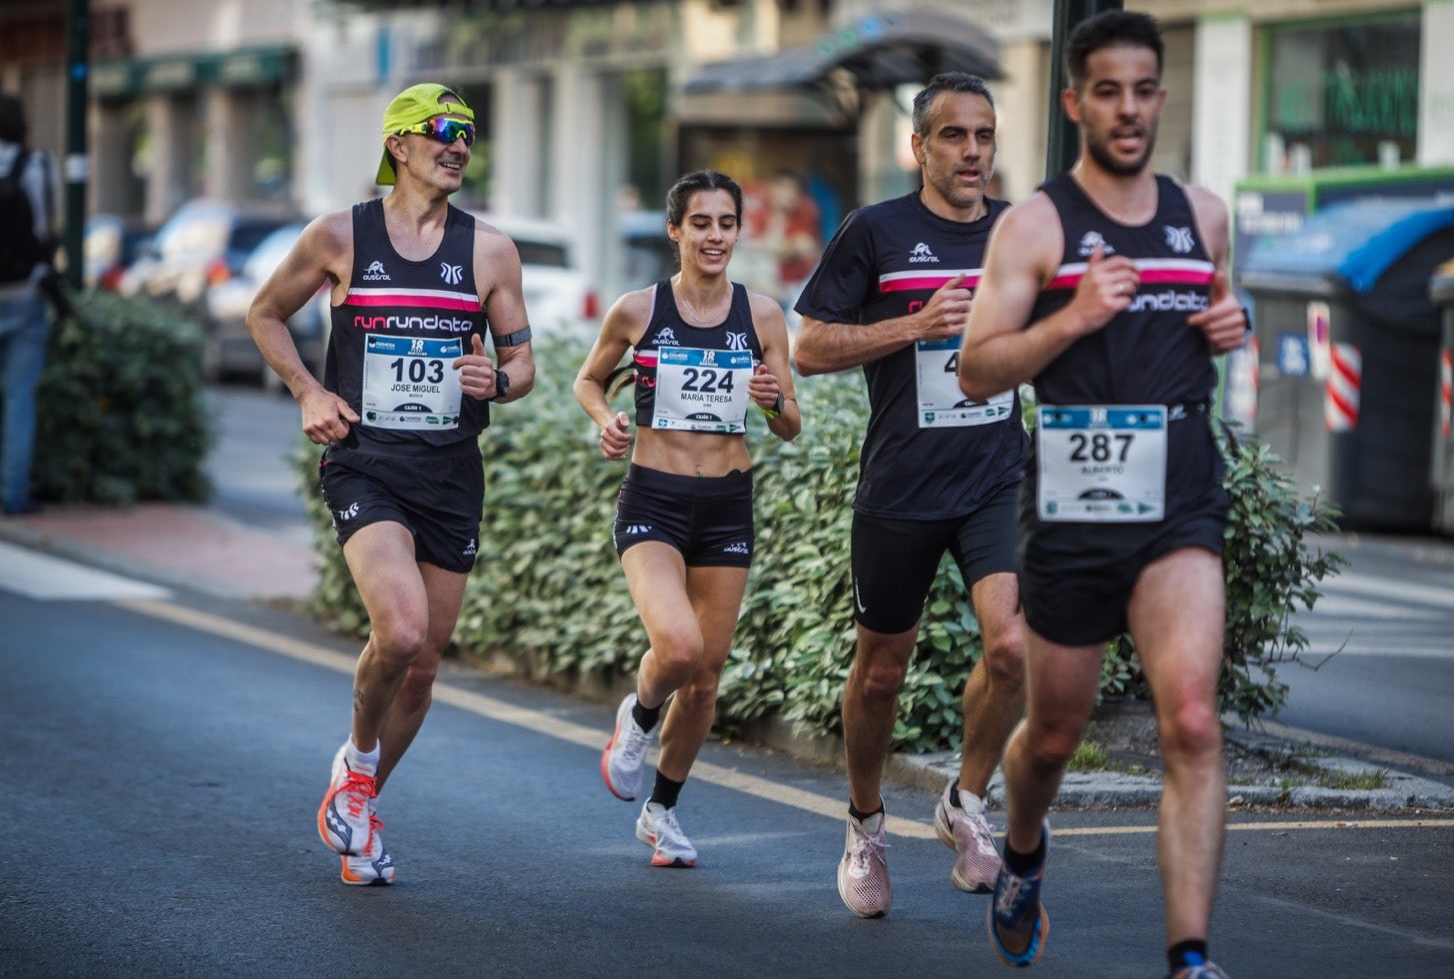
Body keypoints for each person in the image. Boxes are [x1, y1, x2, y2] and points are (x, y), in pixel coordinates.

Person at [957, 10, 1248, 976]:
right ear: (1077, 101)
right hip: (1077, 502)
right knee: (1052, 733)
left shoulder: (1202, 215)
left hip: (1179, 497)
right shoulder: (1035, 224)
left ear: (1163, 96)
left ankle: (1191, 959)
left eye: (1145, 89)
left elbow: (1210, 309)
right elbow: (976, 370)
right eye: (1108, 91)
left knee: (1194, 722)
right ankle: (1025, 852)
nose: (1129, 110)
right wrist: (1072, 317)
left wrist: (1227, 322)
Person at [247, 83, 535, 887]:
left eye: (469, 133)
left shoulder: (491, 251)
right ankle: (357, 759)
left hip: (451, 470)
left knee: (426, 664)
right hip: (365, 461)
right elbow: (264, 314)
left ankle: (361, 798)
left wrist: (498, 381)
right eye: (442, 131)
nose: (458, 145)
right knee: (400, 631)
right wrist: (309, 391)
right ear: (398, 146)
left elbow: (524, 365)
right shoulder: (340, 235)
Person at [791, 71, 1028, 918]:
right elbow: (810, 346)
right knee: (882, 670)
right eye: (955, 136)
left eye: (985, 136)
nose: (972, 151)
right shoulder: (876, 231)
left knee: (1014, 650)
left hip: (997, 474)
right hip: (901, 484)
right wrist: (913, 326)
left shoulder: (1017, 230)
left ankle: (965, 802)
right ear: (919, 147)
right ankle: (865, 825)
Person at [574, 169, 800, 868]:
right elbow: (588, 379)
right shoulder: (637, 311)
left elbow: (789, 424)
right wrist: (606, 418)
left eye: (725, 223)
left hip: (727, 503)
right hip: (654, 499)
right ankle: (636, 721)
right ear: (676, 231)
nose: (714, 236)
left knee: (705, 678)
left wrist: (770, 401)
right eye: (699, 223)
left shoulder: (762, 316)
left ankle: (662, 812)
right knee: (677, 647)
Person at [0, 93, 57, 517]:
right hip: (24, 295)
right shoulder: (37, 166)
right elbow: (45, 230)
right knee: (19, 400)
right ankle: (13, 493)